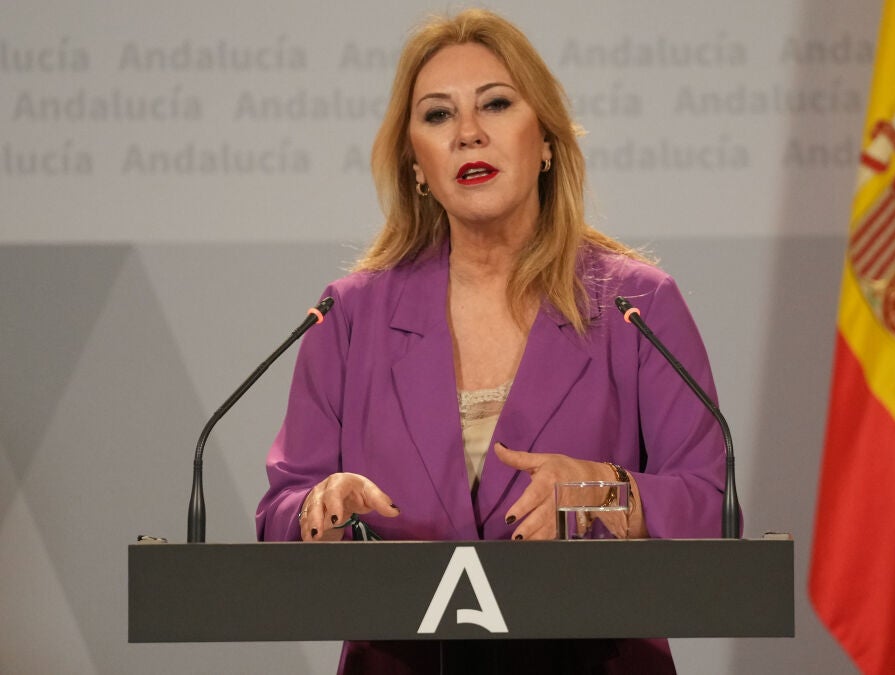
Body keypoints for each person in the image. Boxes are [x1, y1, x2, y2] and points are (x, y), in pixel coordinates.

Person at [256, 8, 729, 674]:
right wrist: (319, 507)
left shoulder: (636, 306)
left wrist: (599, 489)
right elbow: (280, 513)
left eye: (496, 104)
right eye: (438, 115)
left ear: (546, 142)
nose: (468, 133)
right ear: (415, 165)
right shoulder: (349, 315)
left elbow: (712, 509)